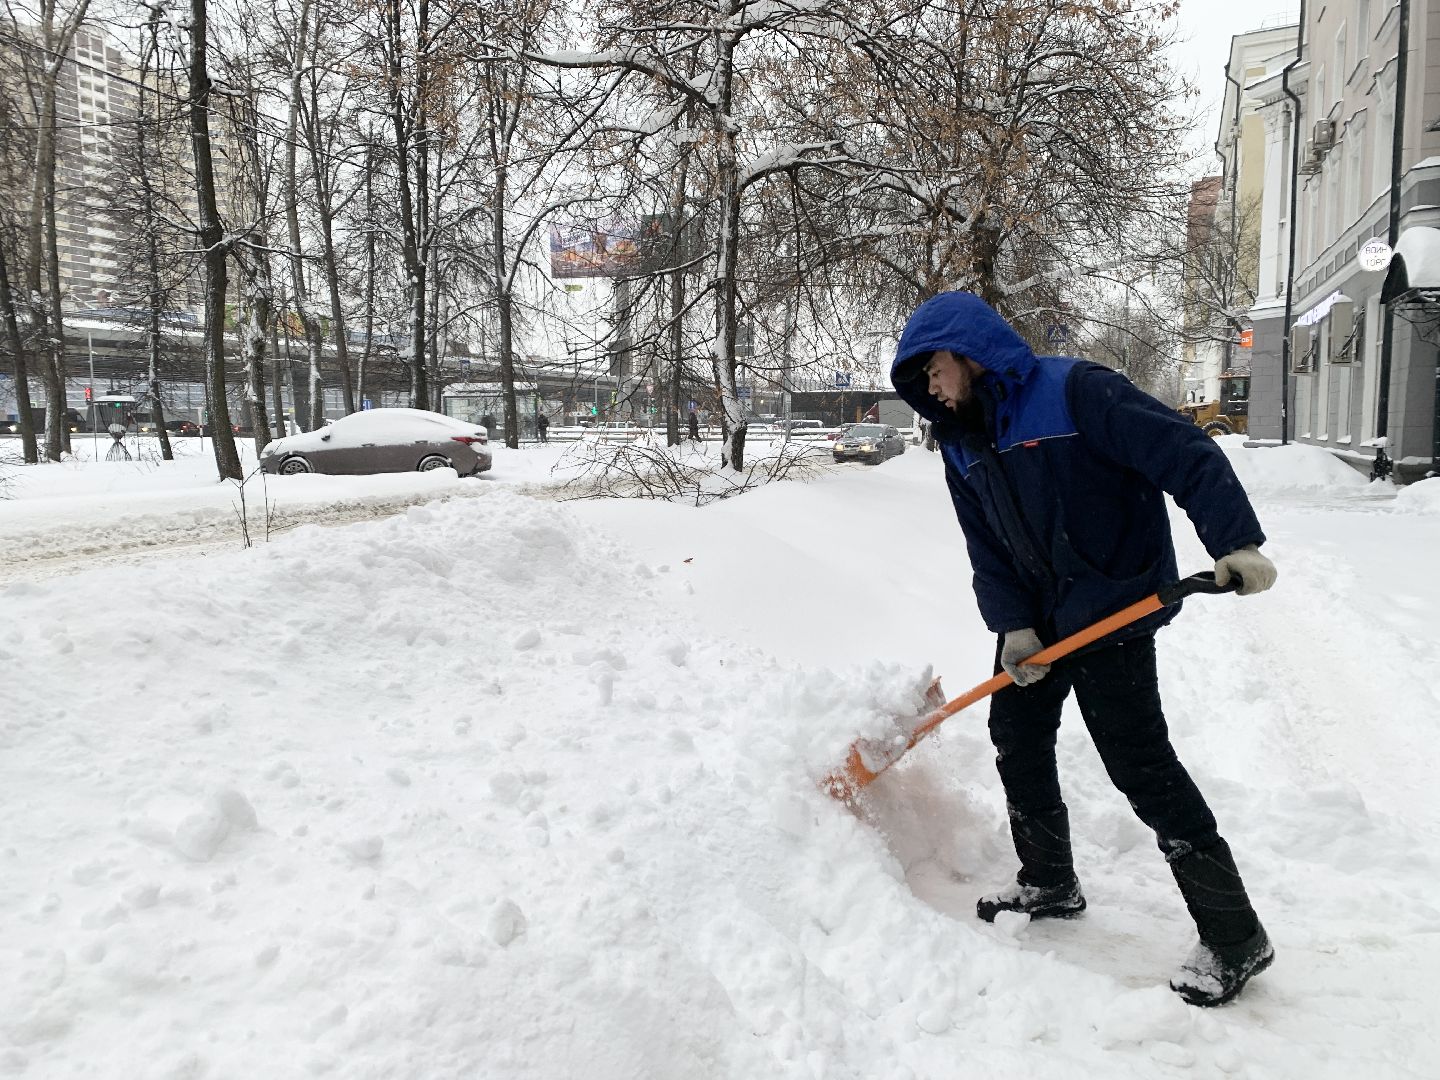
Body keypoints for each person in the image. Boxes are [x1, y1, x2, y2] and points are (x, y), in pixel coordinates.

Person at [890, 291, 1278, 1008]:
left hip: (1113, 607)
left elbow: (1185, 453)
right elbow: (987, 546)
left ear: (967, 354)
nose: (932, 391)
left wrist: (1234, 542)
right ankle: (1049, 881)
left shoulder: (1076, 392)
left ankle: (1234, 935)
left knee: (1140, 764)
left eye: (934, 373)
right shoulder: (962, 439)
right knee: (1016, 732)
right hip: (1039, 620)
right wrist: (1012, 626)